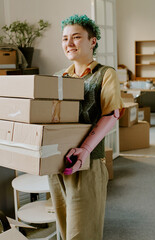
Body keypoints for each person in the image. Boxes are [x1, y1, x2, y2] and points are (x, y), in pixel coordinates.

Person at [47, 14, 123, 240]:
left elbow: (112, 114)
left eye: (76, 37)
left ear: (93, 41)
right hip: (56, 163)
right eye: (64, 39)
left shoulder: (104, 74)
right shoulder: (58, 77)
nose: (69, 43)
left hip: (87, 164)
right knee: (64, 229)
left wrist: (85, 149)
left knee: (82, 233)